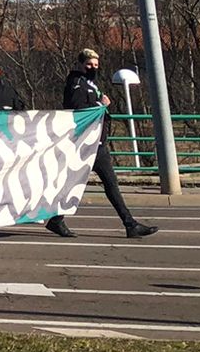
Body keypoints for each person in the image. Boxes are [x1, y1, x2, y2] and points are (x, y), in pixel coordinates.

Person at [44, 48, 157, 240]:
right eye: (89, 64)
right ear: (80, 64)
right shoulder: (76, 83)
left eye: (95, 65)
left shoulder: (91, 83)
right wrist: (101, 105)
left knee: (108, 184)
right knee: (73, 183)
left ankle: (130, 224)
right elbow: (76, 109)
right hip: (84, 143)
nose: (93, 68)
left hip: (97, 142)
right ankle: (55, 219)